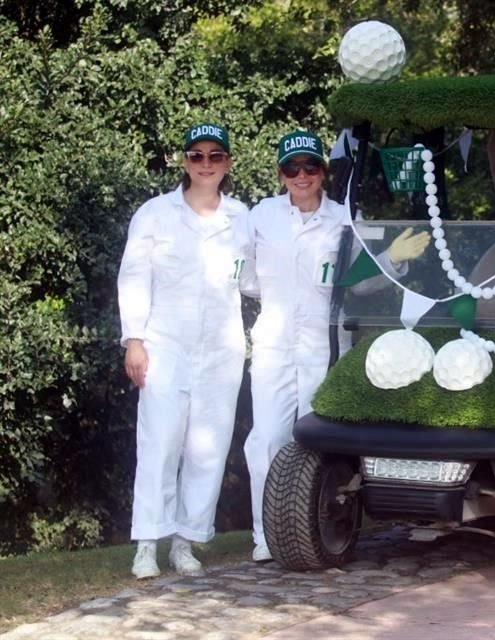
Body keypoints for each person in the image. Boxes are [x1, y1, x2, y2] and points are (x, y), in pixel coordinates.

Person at [242, 130, 429, 562]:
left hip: (323, 343)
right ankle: (266, 535)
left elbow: (360, 284)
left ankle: (310, 532)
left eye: (310, 167)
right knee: (267, 439)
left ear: (323, 172)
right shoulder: (261, 216)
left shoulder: (345, 217)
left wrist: (392, 258)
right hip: (273, 343)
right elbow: (247, 278)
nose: (301, 176)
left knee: (316, 440)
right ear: (280, 174)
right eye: (292, 168)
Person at [118, 123, 250, 579]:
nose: (206, 164)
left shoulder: (241, 218)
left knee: (207, 448)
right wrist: (134, 339)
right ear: (184, 161)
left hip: (221, 346)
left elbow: (255, 280)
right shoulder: (155, 214)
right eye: (197, 156)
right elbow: (134, 277)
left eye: (216, 156)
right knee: (159, 442)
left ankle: (185, 541)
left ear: (228, 163)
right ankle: (146, 545)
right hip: (165, 343)